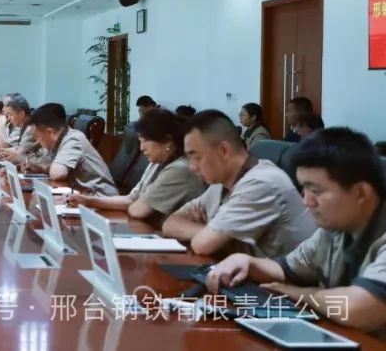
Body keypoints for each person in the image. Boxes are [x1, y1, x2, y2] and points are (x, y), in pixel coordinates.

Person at [205, 128, 386, 338]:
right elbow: (287, 269)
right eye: (303, 189)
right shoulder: (335, 230)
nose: (306, 201)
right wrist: (247, 262)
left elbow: (358, 308)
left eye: (315, 191)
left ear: (360, 193)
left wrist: (299, 294)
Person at [162, 110, 316, 258]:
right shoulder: (221, 182)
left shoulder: (261, 182)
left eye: (196, 157)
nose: (192, 167)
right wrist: (211, 231)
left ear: (223, 150)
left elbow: (202, 245)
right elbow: (169, 223)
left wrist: (211, 233)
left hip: (281, 275)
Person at [68, 108, 206, 222]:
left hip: (176, 241)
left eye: (145, 141)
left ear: (167, 141)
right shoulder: (156, 163)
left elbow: (138, 210)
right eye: (140, 141)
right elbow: (131, 199)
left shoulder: (179, 169)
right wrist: (87, 200)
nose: (141, 148)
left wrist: (136, 204)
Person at [29, 103, 118, 196]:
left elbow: (57, 173)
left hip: (102, 197)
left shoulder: (73, 139)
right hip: (83, 195)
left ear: (50, 132)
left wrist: (42, 166)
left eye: (37, 136)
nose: (37, 141)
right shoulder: (58, 140)